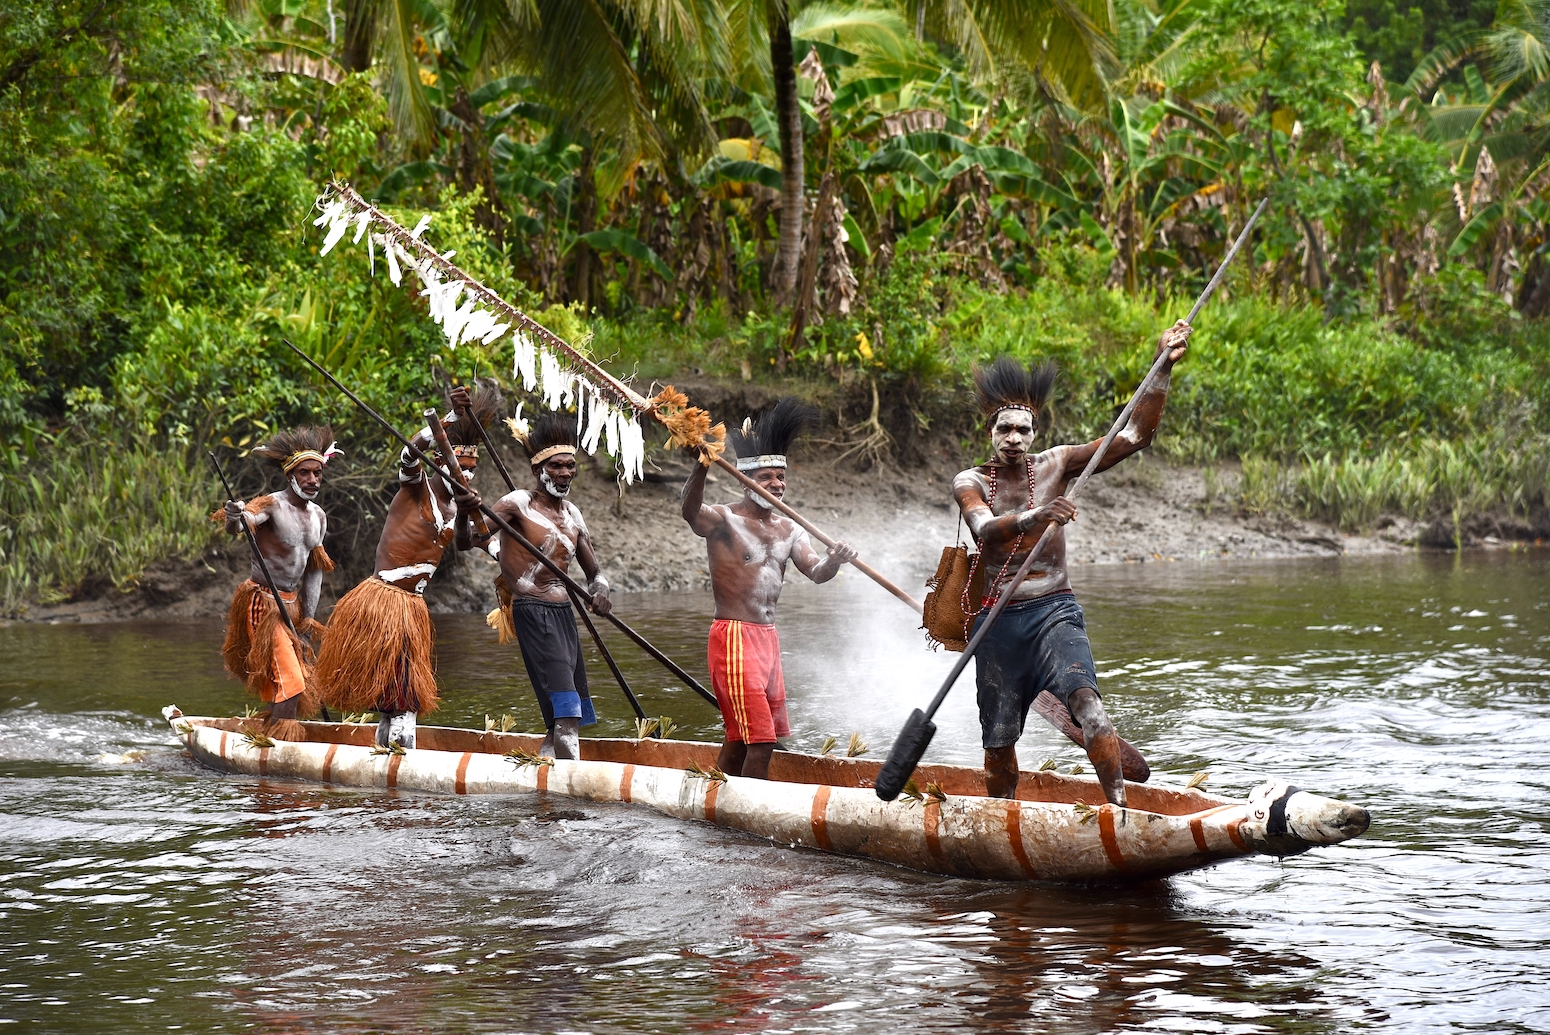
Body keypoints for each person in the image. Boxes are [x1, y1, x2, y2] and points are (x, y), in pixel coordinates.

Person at [952, 320, 1192, 806]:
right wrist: (1037, 515)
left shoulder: (1057, 464)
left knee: (1091, 711)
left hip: (1054, 611)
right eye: (1005, 429)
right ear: (990, 431)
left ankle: (1120, 810)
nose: (1014, 438)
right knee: (998, 748)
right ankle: (1003, 819)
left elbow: (1134, 434)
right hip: (997, 621)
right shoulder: (970, 479)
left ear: (1035, 432)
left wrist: (1160, 368)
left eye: (1023, 429)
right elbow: (983, 529)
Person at [314, 386, 500, 749]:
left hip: (412, 607)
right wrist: (447, 419)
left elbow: (484, 542)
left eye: (473, 470)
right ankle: (402, 764)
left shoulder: (461, 509)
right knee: (405, 695)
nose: (468, 477)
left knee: (396, 696)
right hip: (384, 601)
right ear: (442, 465)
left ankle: (387, 759)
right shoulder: (416, 489)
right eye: (461, 468)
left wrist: (518, 568)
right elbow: (409, 453)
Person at [681, 398, 857, 780]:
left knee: (743, 738)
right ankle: (751, 821)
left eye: (781, 478)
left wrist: (836, 559)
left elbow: (816, 571)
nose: (776, 484)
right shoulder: (725, 519)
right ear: (746, 480)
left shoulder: (789, 528)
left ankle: (714, 799)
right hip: (734, 638)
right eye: (766, 478)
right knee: (761, 740)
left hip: (768, 641)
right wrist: (701, 466)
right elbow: (690, 513)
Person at [480, 412, 612, 760]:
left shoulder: (573, 515)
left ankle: (549, 779)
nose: (566, 472)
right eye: (557, 466)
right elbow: (470, 539)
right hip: (533, 611)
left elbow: (595, 573)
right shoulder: (517, 503)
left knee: (570, 713)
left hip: (564, 614)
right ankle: (573, 798)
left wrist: (600, 592)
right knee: (566, 709)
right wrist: (466, 512)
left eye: (571, 465)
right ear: (538, 469)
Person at [216, 425, 339, 740]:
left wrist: (308, 619)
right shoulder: (270, 505)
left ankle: (269, 736)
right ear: (290, 475)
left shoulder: (319, 517)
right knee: (292, 679)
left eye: (317, 473)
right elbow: (242, 525)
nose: (312, 480)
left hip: (292, 605)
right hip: (262, 603)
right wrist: (234, 516)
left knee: (294, 680)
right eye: (305, 473)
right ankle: (281, 750)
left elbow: (314, 571)